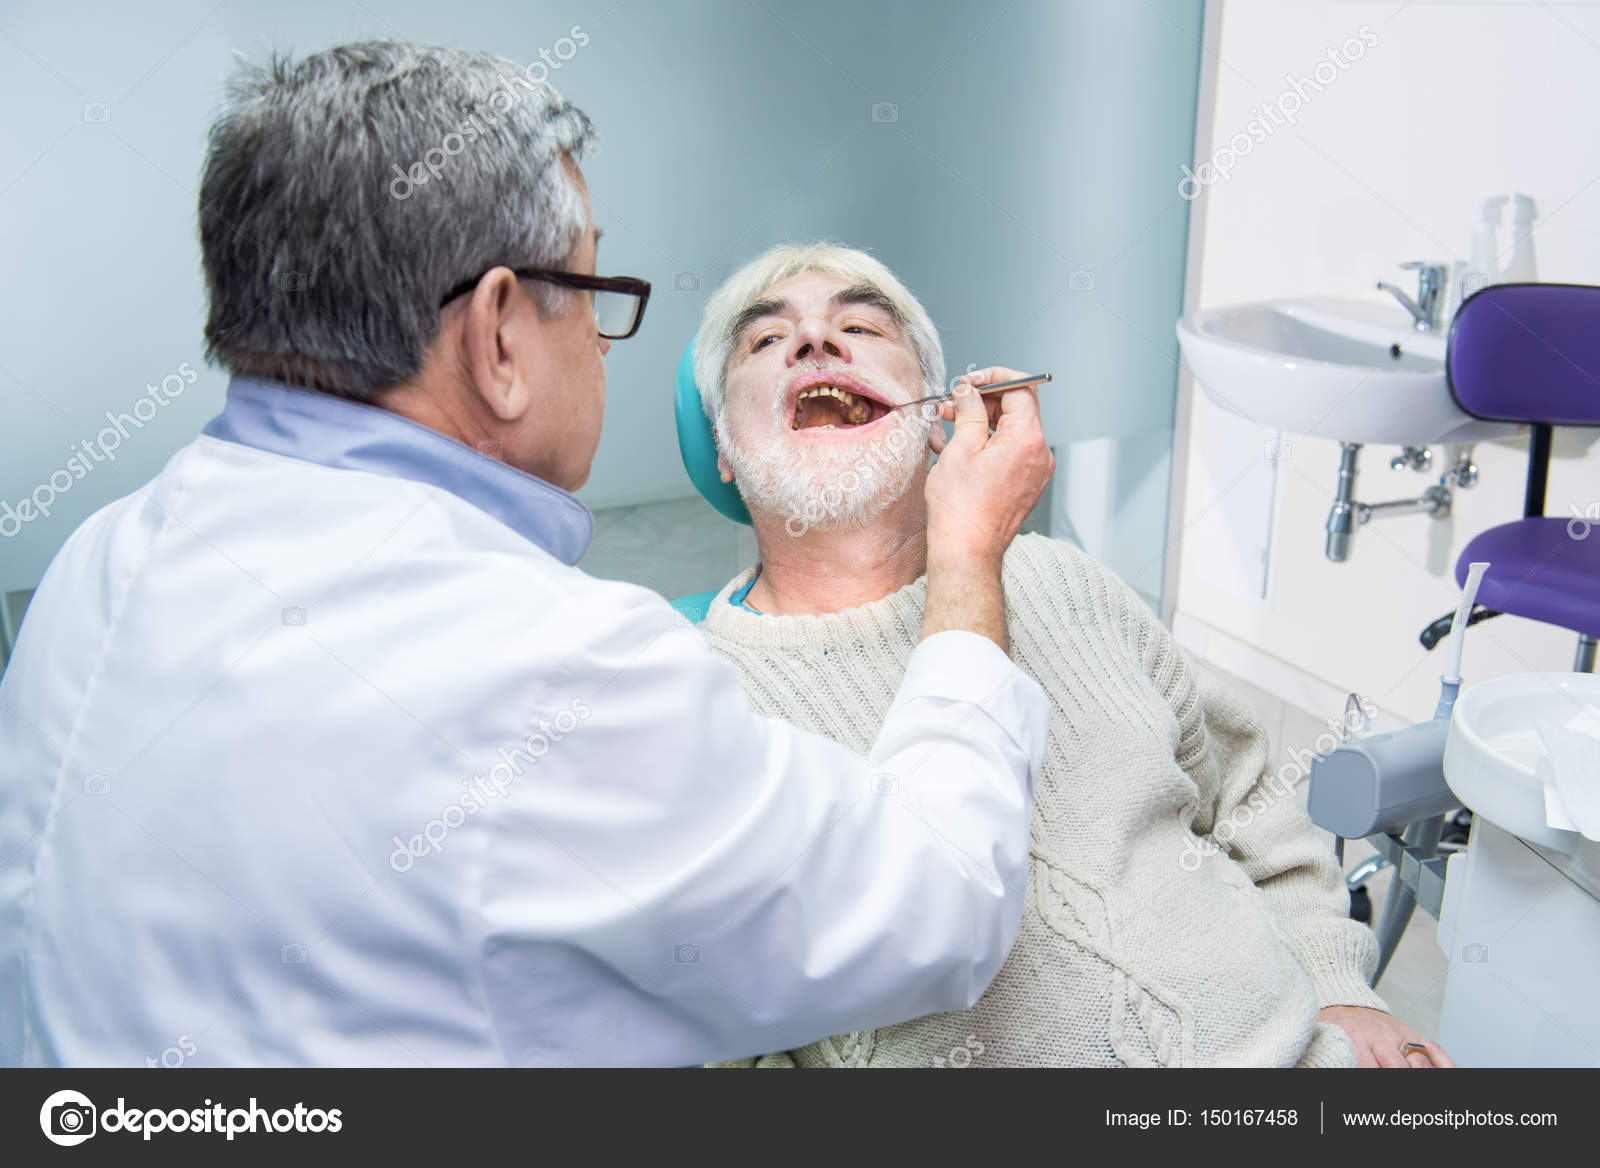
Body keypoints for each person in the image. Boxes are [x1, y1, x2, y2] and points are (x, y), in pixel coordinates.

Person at [0, 45, 1057, 1067]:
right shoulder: (559, 672)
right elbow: (940, 895)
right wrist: (969, 554)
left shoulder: (96, 562)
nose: (601, 341)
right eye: (596, 290)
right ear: (499, 335)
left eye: (858, 324)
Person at [691, 242, 1454, 1068]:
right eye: (767, 340)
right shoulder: (696, 715)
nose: (815, 342)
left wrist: (1341, 986)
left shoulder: (1061, 578)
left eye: (861, 325)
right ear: (725, 450)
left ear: (940, 416)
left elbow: (1249, 799)